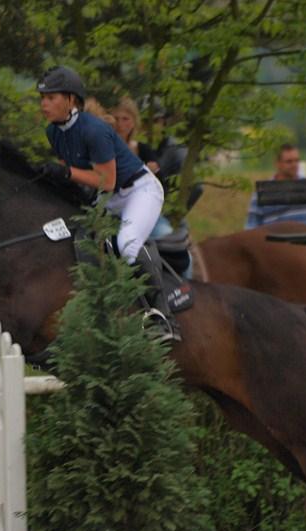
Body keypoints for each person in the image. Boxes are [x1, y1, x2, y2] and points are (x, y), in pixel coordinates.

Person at [36, 66, 179, 341]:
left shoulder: (94, 129)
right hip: (107, 197)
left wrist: (65, 172)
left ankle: (162, 317)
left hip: (139, 191)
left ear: (71, 100)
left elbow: (106, 180)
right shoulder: (53, 132)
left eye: (51, 98)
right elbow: (77, 176)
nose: (44, 104)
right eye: (42, 98)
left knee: (126, 243)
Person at [245, 144, 306, 230]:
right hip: (274, 239)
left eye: (296, 161)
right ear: (277, 164)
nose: (294, 165)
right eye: (289, 161)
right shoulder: (262, 192)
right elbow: (251, 226)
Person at [110, 97, 160, 174]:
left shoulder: (143, 150)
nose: (120, 124)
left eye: (125, 119)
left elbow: (160, 178)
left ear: (134, 122)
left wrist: (154, 169)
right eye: (116, 119)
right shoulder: (103, 148)